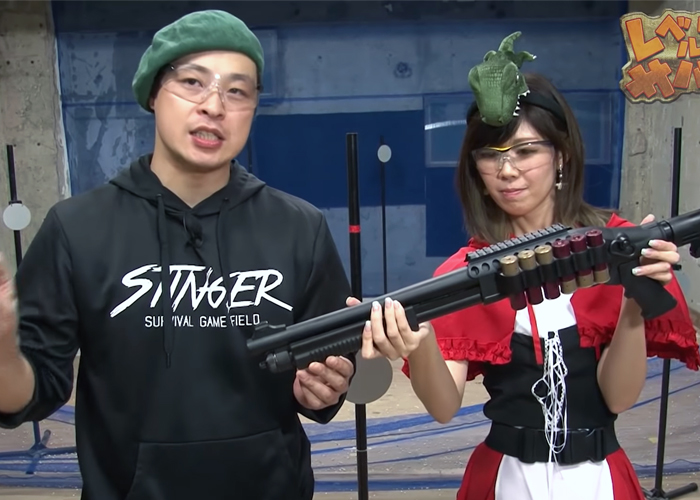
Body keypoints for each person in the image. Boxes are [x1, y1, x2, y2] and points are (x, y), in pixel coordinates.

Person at [0, 10, 356, 500]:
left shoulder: (299, 228)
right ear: (153, 92)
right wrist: (3, 350)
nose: (214, 105)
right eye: (192, 82)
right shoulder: (76, 228)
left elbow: (324, 381)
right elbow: (32, 391)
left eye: (237, 91)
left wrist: (326, 386)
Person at [349, 33, 700, 500]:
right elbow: (444, 407)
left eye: (525, 150)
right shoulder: (465, 274)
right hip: (506, 480)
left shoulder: (616, 244)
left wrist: (634, 302)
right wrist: (421, 343)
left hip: (599, 480)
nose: (507, 171)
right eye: (490, 156)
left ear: (562, 155)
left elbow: (617, 399)